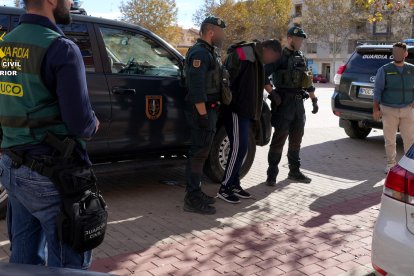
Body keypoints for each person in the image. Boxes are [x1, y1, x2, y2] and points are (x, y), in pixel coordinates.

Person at [0, 0, 99, 268]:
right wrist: (93, 124)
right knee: (68, 263)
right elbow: (81, 124)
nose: (70, 3)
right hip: (53, 175)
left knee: (23, 258)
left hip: (12, 167)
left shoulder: (4, 45)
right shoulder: (61, 47)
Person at [217, 39, 282, 203]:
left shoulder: (258, 60)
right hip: (236, 110)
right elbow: (226, 80)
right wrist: (233, 103)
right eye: (272, 57)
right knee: (238, 148)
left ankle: (234, 184)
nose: (271, 61)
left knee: (243, 148)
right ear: (267, 49)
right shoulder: (243, 54)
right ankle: (224, 188)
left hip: (246, 111)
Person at [265, 26, 319, 186]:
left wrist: (314, 98)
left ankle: (294, 172)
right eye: (297, 39)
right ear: (289, 39)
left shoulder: (301, 56)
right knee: (279, 138)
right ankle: (271, 174)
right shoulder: (279, 56)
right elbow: (263, 75)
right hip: (283, 103)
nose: (300, 42)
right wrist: (273, 93)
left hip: (298, 104)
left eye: (301, 40)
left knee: (296, 139)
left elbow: (308, 79)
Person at [183, 16, 226, 215]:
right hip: (203, 110)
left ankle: (196, 192)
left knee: (201, 153)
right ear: (211, 32)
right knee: (198, 154)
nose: (222, 36)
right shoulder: (200, 53)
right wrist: (202, 115)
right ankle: (191, 198)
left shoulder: (210, 52)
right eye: (220, 32)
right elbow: (197, 88)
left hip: (209, 110)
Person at [373, 42, 414, 173]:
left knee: (410, 139)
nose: (396, 54)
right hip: (389, 109)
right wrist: (375, 109)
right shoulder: (384, 69)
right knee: (390, 140)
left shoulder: (412, 69)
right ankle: (391, 164)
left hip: (408, 109)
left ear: (405, 54)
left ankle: (409, 165)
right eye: (394, 51)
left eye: (399, 52)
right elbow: (377, 90)